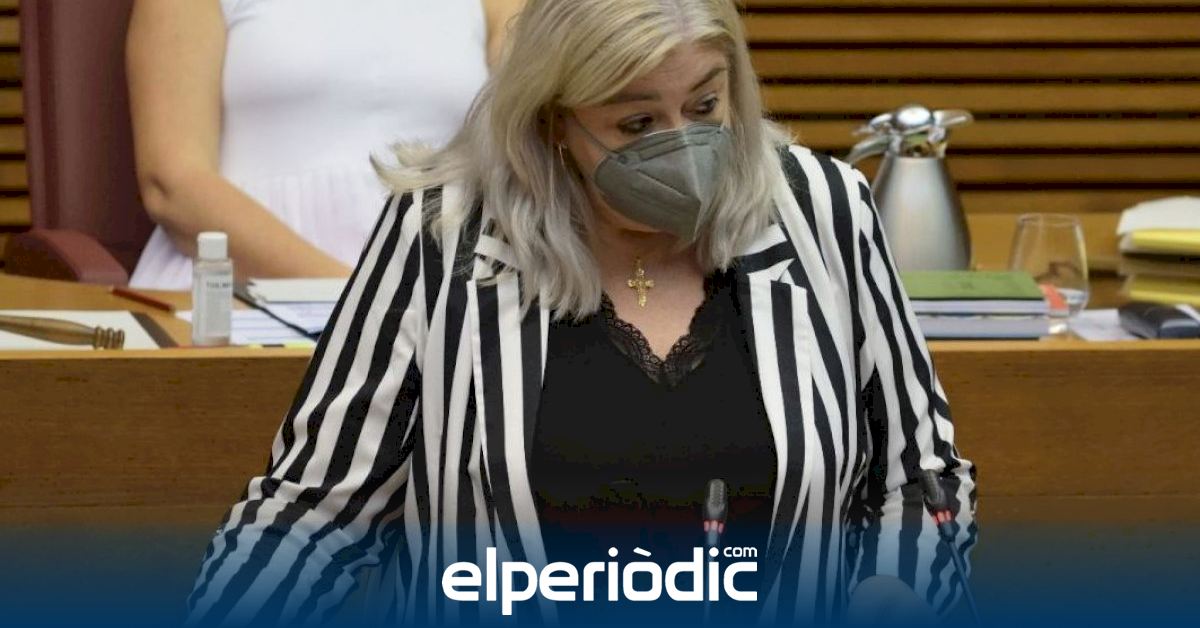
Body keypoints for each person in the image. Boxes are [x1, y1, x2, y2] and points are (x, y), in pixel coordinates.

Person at [183, 0, 978, 625]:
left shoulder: (823, 210)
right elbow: (316, 508)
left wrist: (900, 590)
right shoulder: (446, 228)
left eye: (705, 105)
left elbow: (920, 474)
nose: (683, 145)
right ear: (554, 121)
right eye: (636, 124)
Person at [125, 0, 523, 289]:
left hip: (445, 288)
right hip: (242, 285)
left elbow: (531, 144)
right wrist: (357, 295)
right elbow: (172, 183)